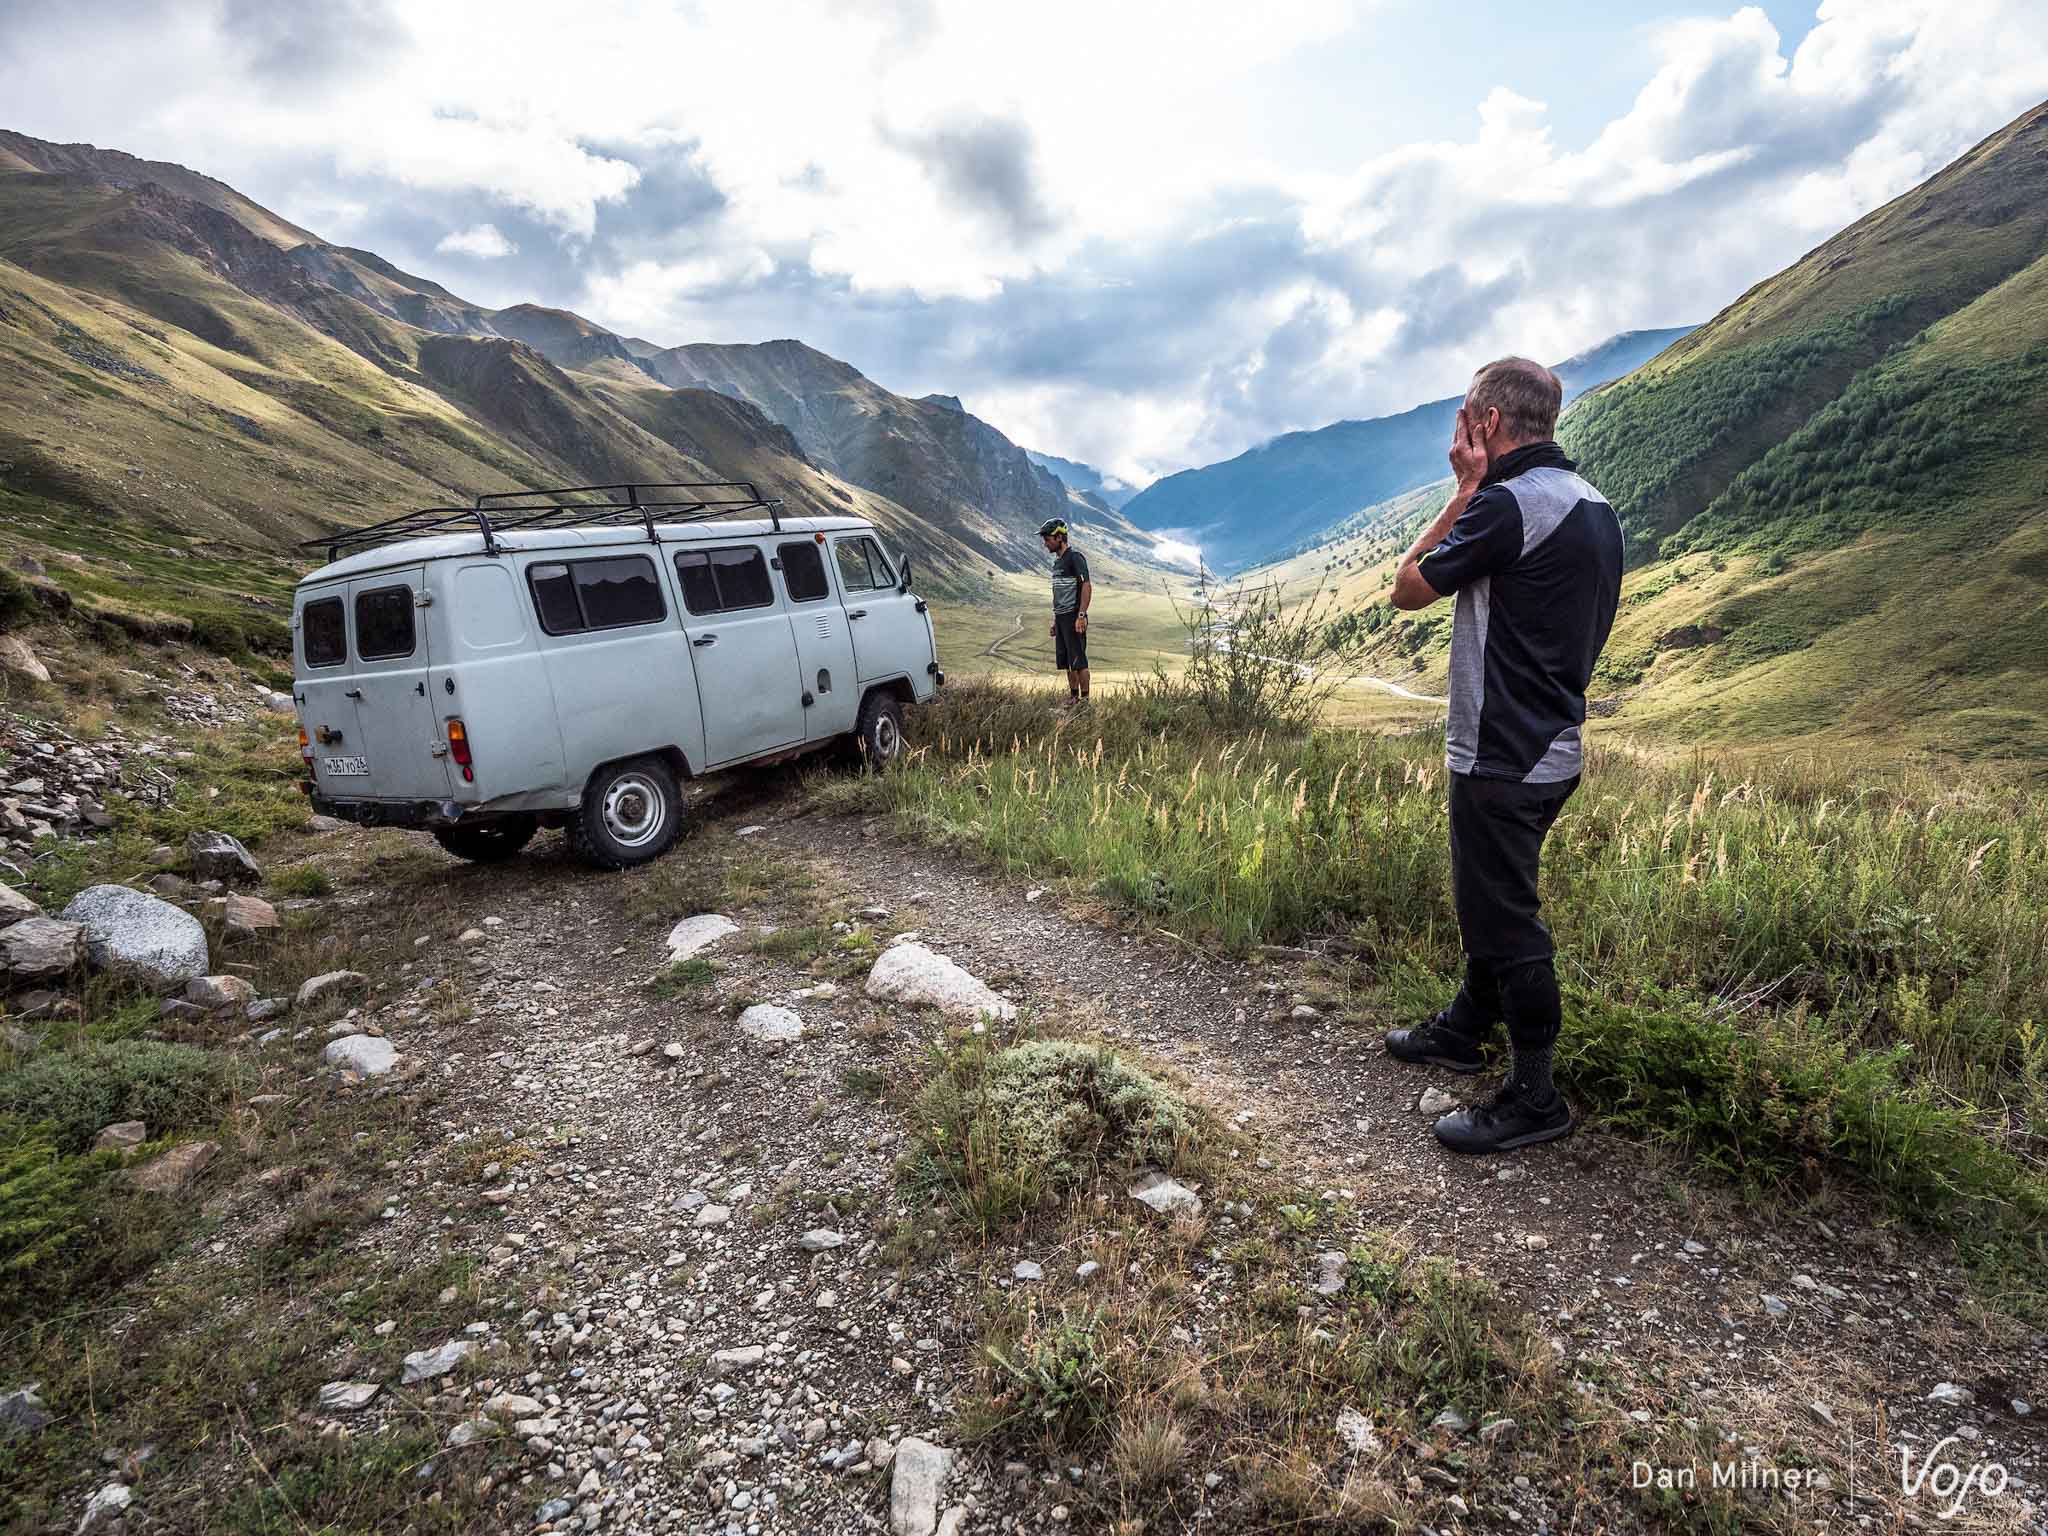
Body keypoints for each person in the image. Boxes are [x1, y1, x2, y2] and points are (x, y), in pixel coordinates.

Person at [1383, 357, 1623, 1155]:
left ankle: (1534, 1096)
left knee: (1506, 919)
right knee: (1489, 899)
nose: (1459, 430)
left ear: (1486, 423)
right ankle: (1464, 1027)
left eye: (1464, 416)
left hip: (1500, 751)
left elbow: (1408, 588)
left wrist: (1463, 489)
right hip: (1554, 742)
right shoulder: (1593, 503)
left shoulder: (1504, 505)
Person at [1039, 518, 1091, 704]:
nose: (1045, 544)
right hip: (1061, 618)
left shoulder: (1075, 558)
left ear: (1059, 537)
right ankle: (1073, 698)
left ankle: (1085, 702)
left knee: (1079, 661)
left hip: (1074, 616)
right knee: (1068, 661)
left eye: (1048, 539)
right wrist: (1055, 620)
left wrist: (1081, 616)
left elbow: (1086, 586)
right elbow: (1059, 594)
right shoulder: (1058, 562)